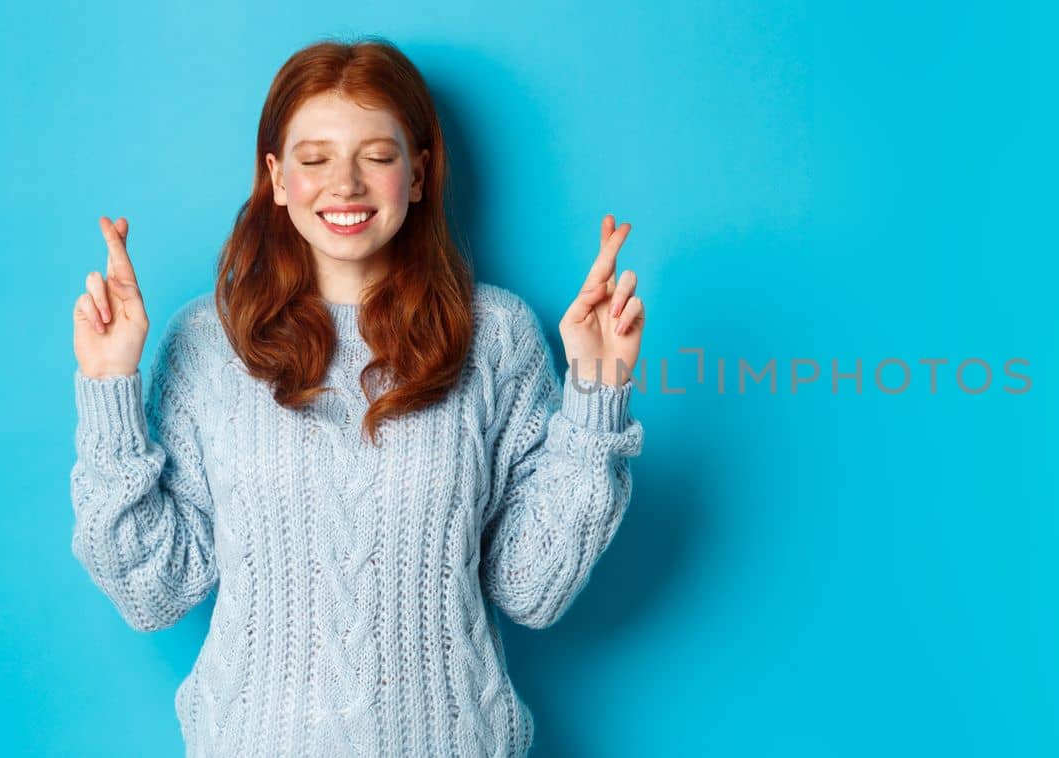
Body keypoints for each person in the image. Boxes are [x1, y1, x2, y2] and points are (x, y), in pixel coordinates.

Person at [68, 37, 646, 757]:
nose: (344, 184)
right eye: (314, 160)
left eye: (376, 156)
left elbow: (532, 587)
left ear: (419, 173)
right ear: (276, 177)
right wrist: (108, 387)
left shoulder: (495, 336)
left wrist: (598, 396)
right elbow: (153, 591)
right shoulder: (206, 344)